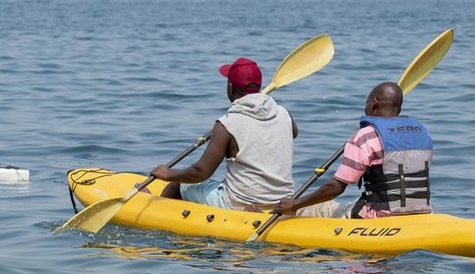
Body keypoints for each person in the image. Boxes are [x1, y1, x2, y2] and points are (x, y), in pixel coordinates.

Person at [153, 57, 298, 211]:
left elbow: (201, 172)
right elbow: (293, 133)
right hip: (282, 200)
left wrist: (169, 174)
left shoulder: (226, 124)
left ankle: (156, 210)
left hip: (240, 204)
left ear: (230, 87)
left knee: (180, 184)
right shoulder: (283, 113)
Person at [274, 81, 433, 219]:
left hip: (377, 215)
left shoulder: (365, 137)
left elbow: (336, 188)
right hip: (421, 212)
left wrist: (295, 204)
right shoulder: (422, 132)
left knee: (310, 210)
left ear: (374, 102)